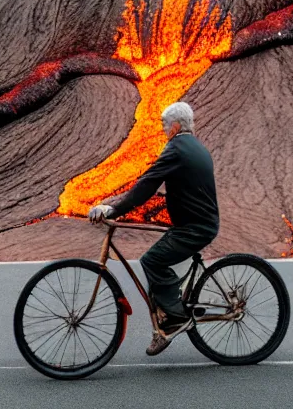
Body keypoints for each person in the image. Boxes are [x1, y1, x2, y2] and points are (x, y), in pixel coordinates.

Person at [88, 101, 219, 355]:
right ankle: (165, 323)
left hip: (195, 227)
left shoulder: (177, 148)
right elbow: (180, 190)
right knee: (157, 268)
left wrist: (113, 210)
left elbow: (147, 184)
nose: (162, 129)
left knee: (152, 261)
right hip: (195, 223)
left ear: (176, 126)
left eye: (164, 124)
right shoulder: (194, 147)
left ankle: (177, 317)